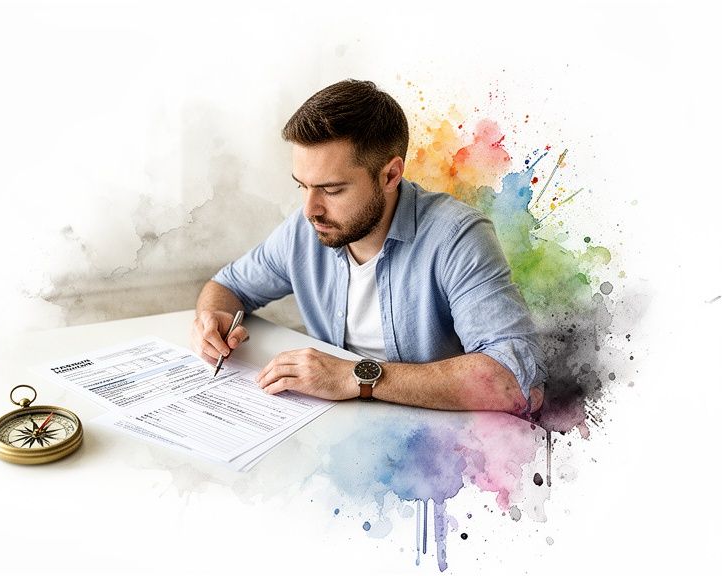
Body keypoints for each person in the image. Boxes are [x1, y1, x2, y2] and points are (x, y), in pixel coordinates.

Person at [190, 79, 546, 415]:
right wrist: (213, 318)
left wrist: (355, 376)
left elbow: (516, 382)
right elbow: (227, 287)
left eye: (332, 190)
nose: (310, 209)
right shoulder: (306, 228)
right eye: (302, 185)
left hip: (435, 446)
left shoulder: (456, 236)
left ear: (390, 175)